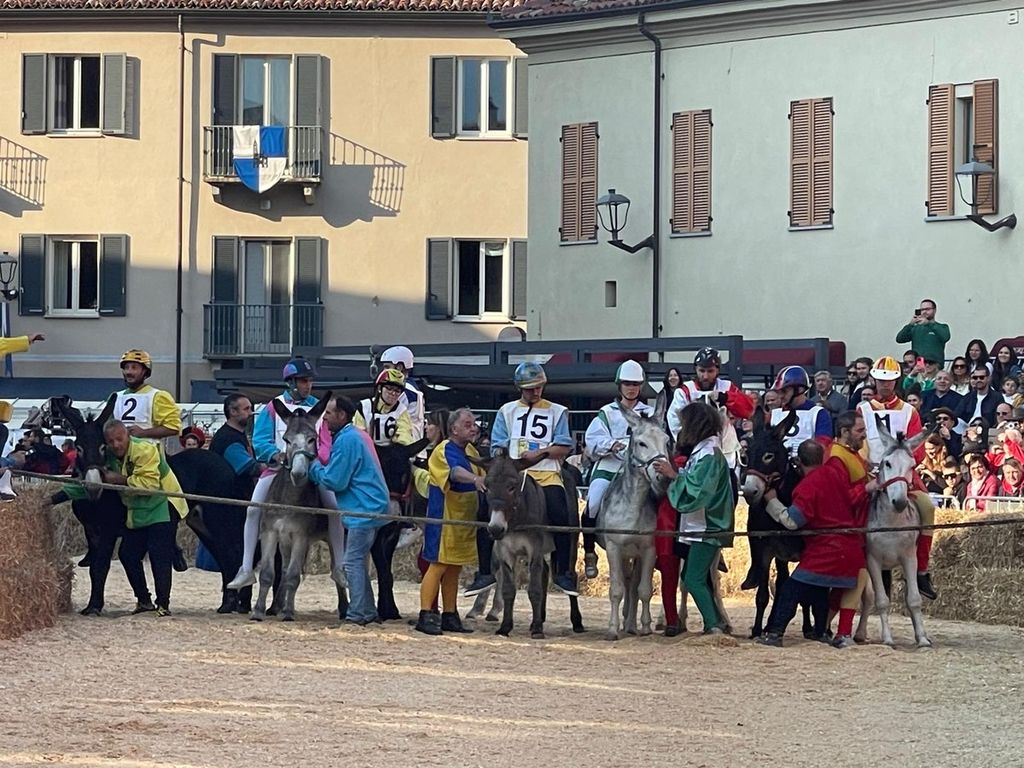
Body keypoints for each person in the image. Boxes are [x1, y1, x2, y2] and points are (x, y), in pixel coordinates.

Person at [227, 357, 347, 592]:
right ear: (291, 382)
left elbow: (326, 441)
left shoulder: (319, 409)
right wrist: (276, 454)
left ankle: (339, 566)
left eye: (310, 381)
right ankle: (246, 568)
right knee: (253, 509)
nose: (308, 385)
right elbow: (261, 439)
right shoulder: (273, 407)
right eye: (303, 381)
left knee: (334, 509)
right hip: (278, 468)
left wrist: (318, 459)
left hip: (312, 468)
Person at [757, 439, 868, 647]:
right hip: (851, 548)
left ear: (798, 462)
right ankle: (821, 632)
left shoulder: (807, 486)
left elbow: (792, 522)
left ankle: (775, 634)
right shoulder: (837, 475)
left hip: (826, 550)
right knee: (819, 590)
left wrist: (772, 501)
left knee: (791, 589)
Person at [489, 361, 577, 595]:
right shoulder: (506, 411)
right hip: (515, 476)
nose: (535, 392)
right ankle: (485, 571)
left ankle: (563, 572)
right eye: (530, 388)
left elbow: (564, 446)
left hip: (547, 474)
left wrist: (540, 453)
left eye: (539, 387)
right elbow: (497, 445)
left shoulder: (557, 411)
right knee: (485, 506)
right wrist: (503, 457)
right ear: (520, 388)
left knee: (561, 513)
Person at [857, 355, 938, 600]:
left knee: (927, 508)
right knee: (852, 505)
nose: (885, 385)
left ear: (897, 381)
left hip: (902, 475)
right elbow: (858, 442)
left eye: (890, 380)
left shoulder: (909, 411)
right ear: (873, 380)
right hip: (870, 474)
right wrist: (867, 469)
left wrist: (902, 470)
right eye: (881, 380)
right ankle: (855, 562)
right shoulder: (863, 409)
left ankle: (921, 570)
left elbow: (918, 450)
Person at [652, 401, 735, 635]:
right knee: (693, 576)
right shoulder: (704, 451)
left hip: (708, 525)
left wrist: (673, 476)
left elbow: (698, 491)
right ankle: (716, 621)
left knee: (693, 579)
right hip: (700, 525)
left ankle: (713, 625)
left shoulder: (709, 454)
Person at [308, 395, 390, 625]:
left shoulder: (346, 440)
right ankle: (368, 611)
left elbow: (336, 481)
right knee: (358, 561)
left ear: (342, 415)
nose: (325, 418)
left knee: (351, 562)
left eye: (329, 413)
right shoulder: (358, 435)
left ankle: (356, 614)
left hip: (363, 508)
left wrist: (314, 468)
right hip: (372, 505)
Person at [101, 419, 188, 616]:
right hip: (137, 510)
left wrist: (118, 479)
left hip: (163, 504)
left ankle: (163, 605)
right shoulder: (108, 455)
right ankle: (144, 600)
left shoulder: (145, 450)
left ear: (128, 435)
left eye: (119, 439)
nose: (116, 445)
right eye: (111, 441)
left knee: (159, 555)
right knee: (127, 554)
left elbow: (149, 485)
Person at [415, 408, 486, 636]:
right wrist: (476, 479)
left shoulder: (471, 450)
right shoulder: (443, 450)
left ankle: (450, 614)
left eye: (474, 424)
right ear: (454, 429)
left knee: (454, 567)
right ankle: (426, 613)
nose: (473, 428)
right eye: (467, 425)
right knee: (437, 565)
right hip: (444, 517)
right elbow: (454, 473)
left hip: (463, 518)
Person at [581, 361, 654, 578]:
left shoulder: (648, 412)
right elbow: (592, 438)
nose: (631, 388)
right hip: (611, 465)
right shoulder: (607, 411)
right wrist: (610, 445)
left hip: (640, 468)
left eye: (635, 384)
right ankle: (589, 551)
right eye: (627, 384)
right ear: (619, 385)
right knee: (593, 502)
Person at [827, 411, 877, 648]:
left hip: (855, 528)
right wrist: (868, 487)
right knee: (856, 579)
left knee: (848, 582)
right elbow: (840, 498)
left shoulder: (849, 454)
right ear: (845, 432)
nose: (864, 435)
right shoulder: (836, 458)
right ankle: (843, 632)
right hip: (847, 529)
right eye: (860, 431)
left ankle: (824, 627)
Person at [667, 349, 753, 473]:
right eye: (702, 371)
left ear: (718, 370)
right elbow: (675, 421)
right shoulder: (685, 391)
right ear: (695, 369)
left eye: (710, 371)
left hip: (725, 449)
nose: (705, 376)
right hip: (693, 449)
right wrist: (686, 442)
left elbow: (748, 410)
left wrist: (726, 398)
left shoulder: (727, 387)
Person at [111, 349, 182, 450]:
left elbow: (173, 427)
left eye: (134, 368)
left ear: (144, 371)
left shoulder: (158, 396)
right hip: (120, 456)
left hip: (150, 456)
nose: (129, 372)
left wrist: (144, 433)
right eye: (126, 368)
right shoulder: (116, 397)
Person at [769, 365, 832, 457]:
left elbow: (822, 446)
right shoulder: (774, 414)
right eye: (779, 392)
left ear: (800, 389)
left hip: (807, 463)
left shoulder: (819, 413)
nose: (780, 396)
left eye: (784, 391)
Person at [354, 369, 413, 446]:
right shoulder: (364, 407)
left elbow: (404, 436)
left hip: (391, 452)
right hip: (367, 450)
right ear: (379, 388)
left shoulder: (401, 411)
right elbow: (358, 436)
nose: (393, 393)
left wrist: (401, 446)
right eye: (389, 388)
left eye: (397, 391)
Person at [379, 346, 426, 443]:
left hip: (404, 444)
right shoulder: (411, 388)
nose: (384, 371)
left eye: (387, 367)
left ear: (399, 367)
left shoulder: (405, 390)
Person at [895, 299, 950, 367]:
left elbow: (945, 337)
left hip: (935, 367)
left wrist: (929, 324)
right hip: (918, 366)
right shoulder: (916, 328)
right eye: (922, 309)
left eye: (927, 309)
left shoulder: (942, 327)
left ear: (934, 310)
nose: (924, 312)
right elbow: (899, 339)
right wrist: (910, 324)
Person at [955, 363, 1001, 428]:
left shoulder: (997, 397)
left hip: (988, 430)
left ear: (988, 378)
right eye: (975, 378)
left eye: (981, 377)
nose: (978, 380)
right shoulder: (968, 397)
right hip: (967, 429)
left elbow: (999, 418)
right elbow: (957, 415)